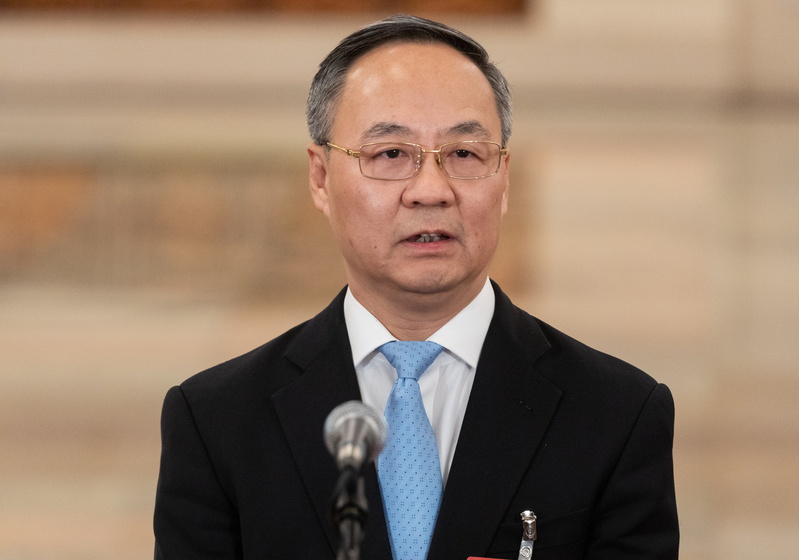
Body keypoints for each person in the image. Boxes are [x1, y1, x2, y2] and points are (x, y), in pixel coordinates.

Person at [153, 14, 679, 560]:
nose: (431, 191)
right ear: (320, 178)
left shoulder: (616, 415)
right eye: (390, 155)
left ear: (504, 179)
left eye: (464, 155)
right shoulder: (219, 421)